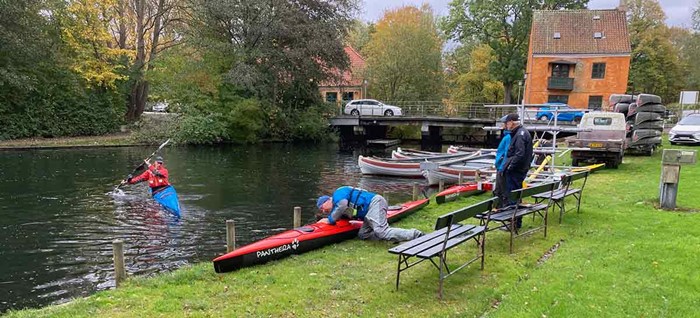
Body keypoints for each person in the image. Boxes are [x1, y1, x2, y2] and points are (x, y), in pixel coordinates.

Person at [317, 186, 423, 242]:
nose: (323, 211)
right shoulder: (337, 203)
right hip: (369, 212)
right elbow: (346, 212)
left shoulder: (338, 194)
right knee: (363, 234)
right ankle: (396, 238)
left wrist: (330, 220)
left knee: (381, 231)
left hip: (374, 203)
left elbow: (342, 205)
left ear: (327, 200)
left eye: (322, 207)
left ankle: (415, 234)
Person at [502, 113, 533, 229]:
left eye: (506, 123)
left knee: (513, 197)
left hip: (516, 171)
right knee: (516, 195)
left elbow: (520, 153)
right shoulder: (522, 132)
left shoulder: (520, 135)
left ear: (511, 122)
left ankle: (514, 223)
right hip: (520, 169)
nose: (505, 125)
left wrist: (510, 167)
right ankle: (516, 222)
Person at [493, 116, 512, 208]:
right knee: (499, 190)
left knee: (500, 191)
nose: (502, 126)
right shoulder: (507, 136)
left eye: (503, 123)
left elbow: (506, 153)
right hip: (500, 166)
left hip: (502, 168)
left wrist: (501, 166)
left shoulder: (508, 137)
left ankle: (501, 210)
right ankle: (499, 208)